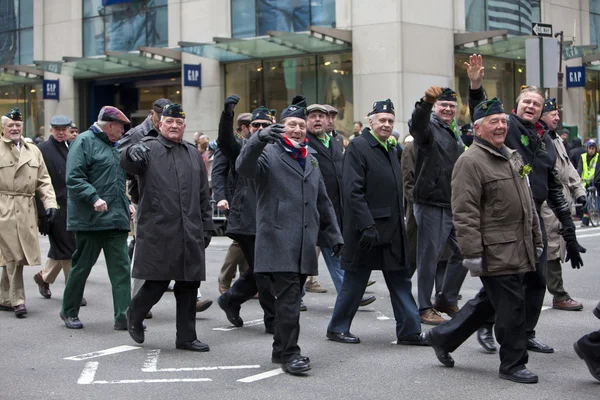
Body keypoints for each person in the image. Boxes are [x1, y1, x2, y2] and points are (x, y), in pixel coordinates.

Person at [466, 54, 584, 354]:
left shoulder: (544, 141)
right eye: (526, 102)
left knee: (537, 280)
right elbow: (483, 115)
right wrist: (476, 86)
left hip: (535, 220)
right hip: (505, 218)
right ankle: (482, 326)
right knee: (504, 283)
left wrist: (568, 233)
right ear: (515, 107)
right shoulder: (507, 127)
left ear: (543, 112)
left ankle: (528, 332)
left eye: (537, 104)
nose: (531, 106)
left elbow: (554, 188)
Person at [424, 97, 544, 384]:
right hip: (494, 251)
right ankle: (513, 364)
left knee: (489, 303)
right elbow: (464, 212)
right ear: (478, 129)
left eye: (503, 121)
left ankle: (442, 337)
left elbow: (527, 203)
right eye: (494, 122)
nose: (502, 126)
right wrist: (472, 253)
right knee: (513, 306)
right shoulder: (470, 161)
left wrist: (536, 238)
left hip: (519, 246)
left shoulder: (512, 155)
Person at [236, 95, 343, 375]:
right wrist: (258, 138)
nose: (296, 129)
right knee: (290, 299)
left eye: (300, 125)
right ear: (281, 127)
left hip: (303, 242)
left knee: (289, 299)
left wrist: (335, 237)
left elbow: (323, 201)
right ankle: (290, 354)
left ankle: (280, 350)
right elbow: (243, 167)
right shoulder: (268, 153)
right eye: (291, 125)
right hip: (277, 240)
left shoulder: (311, 157)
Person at [327, 99, 427, 346]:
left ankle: (409, 331)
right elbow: (353, 192)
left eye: (390, 120)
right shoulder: (358, 147)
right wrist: (366, 225)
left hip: (392, 230)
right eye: (381, 120)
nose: (386, 124)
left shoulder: (391, 148)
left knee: (400, 281)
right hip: (366, 231)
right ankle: (337, 329)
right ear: (370, 121)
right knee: (354, 283)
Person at [121, 103, 214, 352]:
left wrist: (207, 226)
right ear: (160, 124)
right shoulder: (148, 149)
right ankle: (134, 314)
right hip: (159, 229)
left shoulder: (193, 153)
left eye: (179, 122)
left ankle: (186, 337)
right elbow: (127, 165)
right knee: (157, 283)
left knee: (188, 285)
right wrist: (131, 152)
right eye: (169, 121)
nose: (174, 126)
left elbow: (203, 194)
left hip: (191, 229)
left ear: (184, 126)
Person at [60, 106, 133, 330]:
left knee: (121, 270)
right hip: (91, 219)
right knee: (81, 267)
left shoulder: (113, 146)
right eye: (121, 127)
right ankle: (69, 311)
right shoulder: (83, 141)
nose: (123, 132)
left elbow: (115, 181)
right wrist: (94, 198)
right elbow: (73, 178)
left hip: (115, 219)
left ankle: (124, 317)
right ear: (109, 125)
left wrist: (126, 203)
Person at [216, 96, 277, 333]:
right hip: (247, 222)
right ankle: (273, 321)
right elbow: (224, 141)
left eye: (265, 125)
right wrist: (227, 114)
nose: (260, 129)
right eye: (255, 125)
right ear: (249, 128)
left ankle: (230, 299)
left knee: (262, 269)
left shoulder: (279, 150)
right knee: (264, 272)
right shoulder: (242, 149)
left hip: (271, 221)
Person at [305, 103, 375, 306]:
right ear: (306, 120)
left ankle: (349, 295)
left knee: (335, 250)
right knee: (304, 254)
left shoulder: (334, 141)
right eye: (313, 116)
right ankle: (296, 295)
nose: (319, 120)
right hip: (309, 209)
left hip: (332, 209)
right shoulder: (304, 142)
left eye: (322, 116)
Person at [409, 86, 466, 325]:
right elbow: (417, 126)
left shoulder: (453, 131)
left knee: (468, 249)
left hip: (452, 202)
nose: (448, 109)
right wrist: (425, 103)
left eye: (452, 106)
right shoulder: (430, 127)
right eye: (443, 105)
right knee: (429, 258)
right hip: (431, 201)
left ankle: (446, 298)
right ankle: (424, 307)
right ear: (436, 107)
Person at [0, 107, 57, 318]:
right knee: (13, 254)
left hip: (25, 209)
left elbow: (44, 179)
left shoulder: (33, 150)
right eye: (10, 125)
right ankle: (18, 300)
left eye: (18, 125)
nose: (14, 128)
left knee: (14, 256)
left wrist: (50, 203)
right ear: (3, 128)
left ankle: (4, 297)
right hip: (3, 207)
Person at [33, 116, 86, 306]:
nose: (61, 132)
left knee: (64, 248)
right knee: (69, 250)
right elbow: (36, 184)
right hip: (54, 209)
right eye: (57, 129)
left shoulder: (71, 146)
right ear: (50, 130)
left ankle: (43, 277)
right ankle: (74, 293)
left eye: (65, 129)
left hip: (73, 207)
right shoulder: (41, 150)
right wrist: (42, 212)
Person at [539, 98, 585, 311]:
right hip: (547, 201)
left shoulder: (557, 139)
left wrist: (580, 193)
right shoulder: (539, 138)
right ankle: (559, 294)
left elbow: (570, 170)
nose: (557, 117)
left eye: (557, 114)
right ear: (541, 116)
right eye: (552, 114)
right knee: (552, 247)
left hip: (561, 199)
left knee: (557, 245)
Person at [578, 139, 598, 227]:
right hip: (585, 182)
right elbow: (580, 168)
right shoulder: (582, 157)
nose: (591, 150)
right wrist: (579, 177)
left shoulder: (598, 157)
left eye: (593, 148)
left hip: (596, 181)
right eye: (590, 148)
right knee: (585, 201)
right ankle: (585, 220)